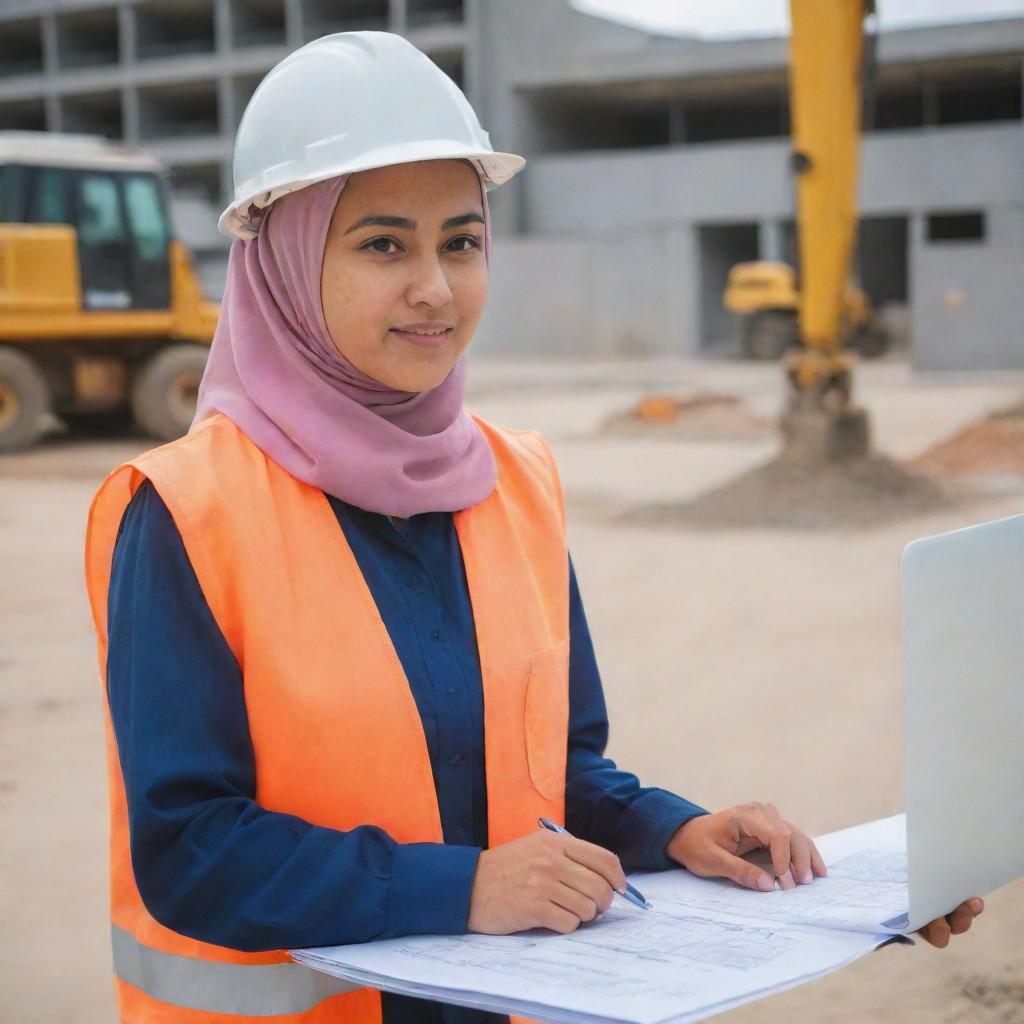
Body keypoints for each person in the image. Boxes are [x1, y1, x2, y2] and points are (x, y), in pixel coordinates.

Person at [83, 30, 983, 1024]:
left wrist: (678, 830)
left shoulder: (513, 481)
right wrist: (459, 887)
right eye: (384, 243)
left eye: (460, 241)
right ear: (284, 262)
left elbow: (553, 770)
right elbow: (188, 847)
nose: (435, 286)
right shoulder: (182, 511)